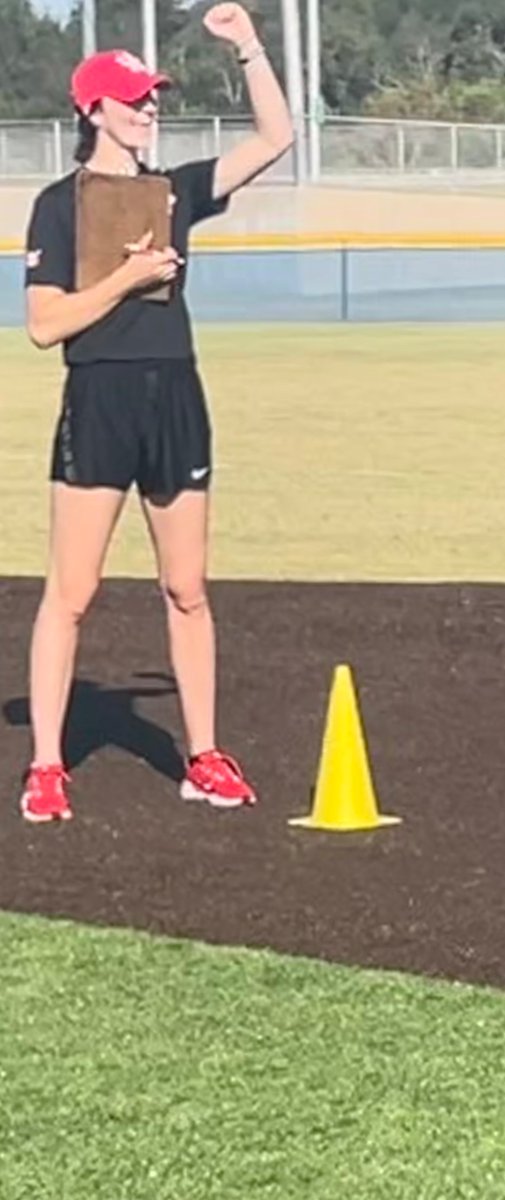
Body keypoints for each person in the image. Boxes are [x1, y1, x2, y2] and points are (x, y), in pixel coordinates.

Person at [19, 4, 294, 822]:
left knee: (187, 588)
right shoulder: (58, 204)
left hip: (175, 393)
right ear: (92, 109)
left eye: (153, 99)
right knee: (72, 592)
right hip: (98, 397)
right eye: (134, 99)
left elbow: (275, 138)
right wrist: (125, 283)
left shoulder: (173, 190)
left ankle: (203, 757)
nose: (149, 110)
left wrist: (247, 47)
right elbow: (43, 325)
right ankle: (45, 767)